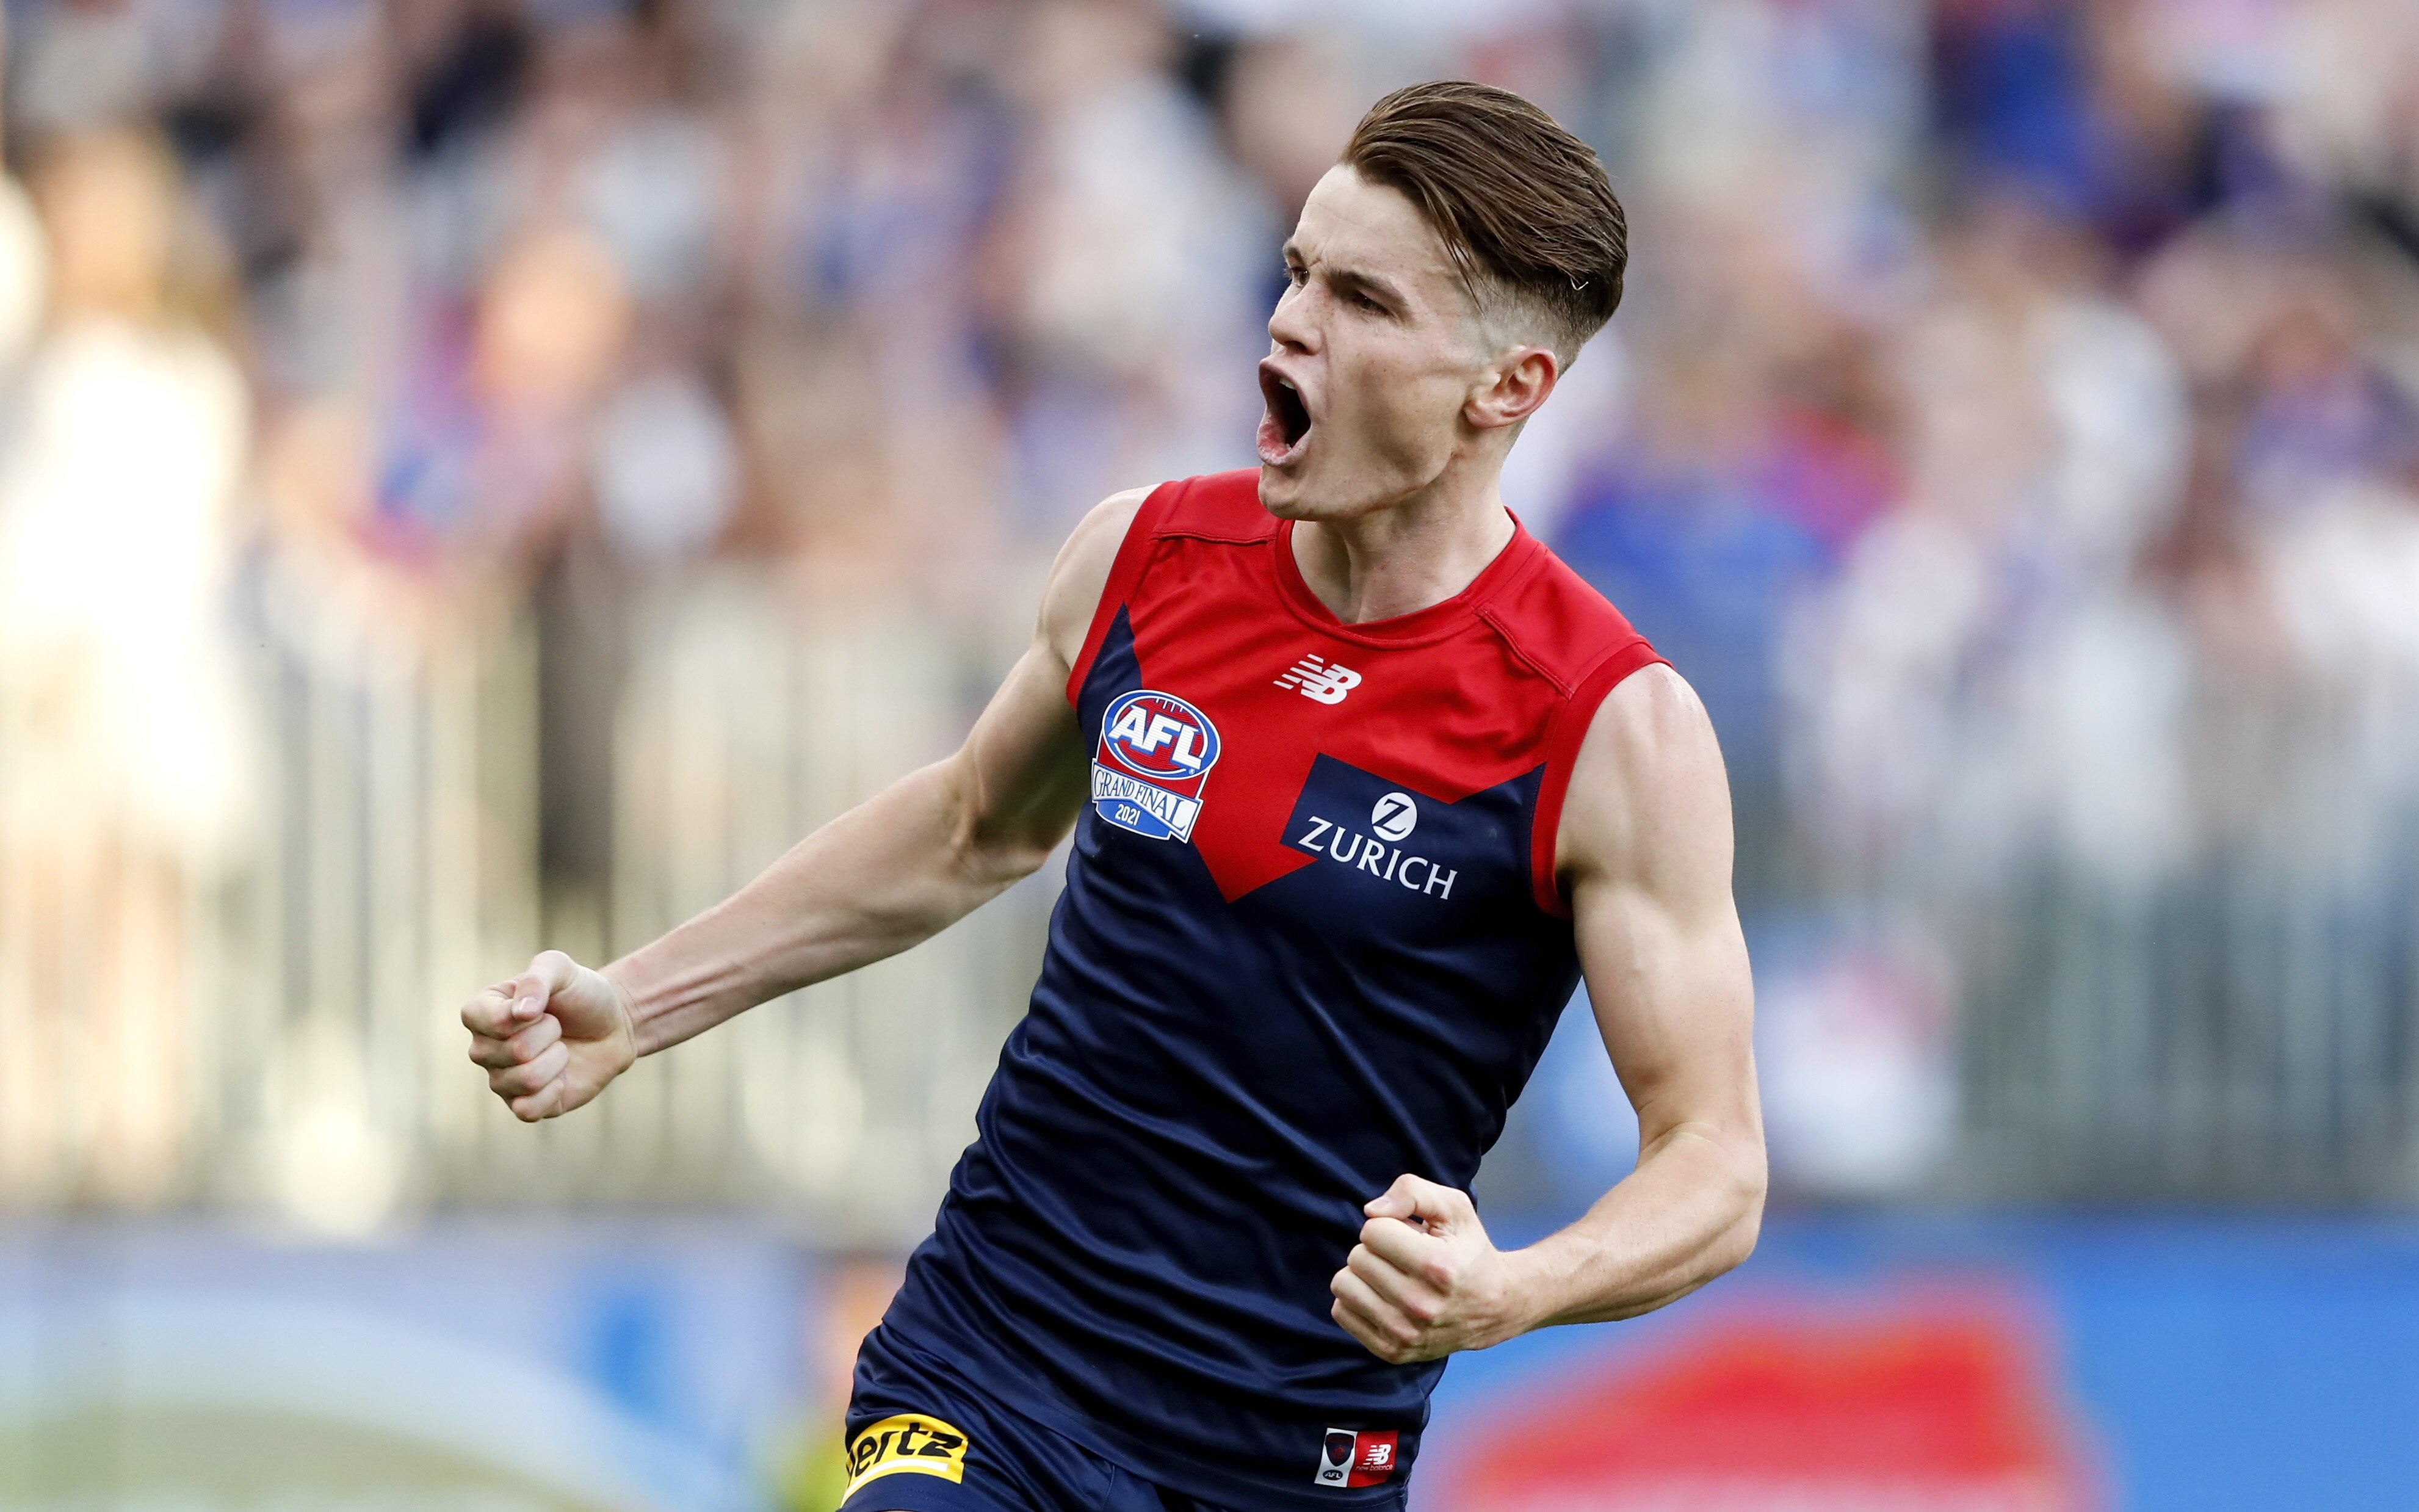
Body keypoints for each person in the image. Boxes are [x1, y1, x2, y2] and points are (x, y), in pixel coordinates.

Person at [462, 81, 1763, 1512]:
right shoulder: (1146, 557)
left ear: (1505, 386)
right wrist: (640, 1002)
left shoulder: (1604, 723)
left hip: (1284, 1458)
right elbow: (970, 827)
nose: (1289, 324)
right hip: (990, 1369)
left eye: (1362, 302)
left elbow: (1711, 1163)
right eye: (1294, 273)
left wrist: (1512, 1288)